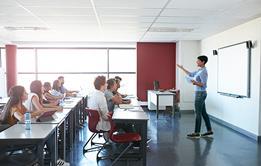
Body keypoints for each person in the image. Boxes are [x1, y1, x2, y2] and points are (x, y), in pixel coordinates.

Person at [177, 55, 213, 138]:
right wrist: (182, 68)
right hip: (200, 93)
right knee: (203, 113)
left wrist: (195, 83)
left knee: (198, 113)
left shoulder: (204, 72)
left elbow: (204, 85)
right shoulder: (200, 70)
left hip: (200, 94)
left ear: (203, 62)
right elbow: (190, 74)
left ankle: (197, 133)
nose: (196, 62)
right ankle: (209, 130)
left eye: (198, 61)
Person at [88, 76, 112, 140]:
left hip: (93, 123)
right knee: (124, 123)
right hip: (100, 124)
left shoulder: (93, 94)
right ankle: (134, 144)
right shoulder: (101, 97)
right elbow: (105, 117)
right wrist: (114, 115)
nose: (107, 84)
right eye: (106, 83)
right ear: (102, 85)